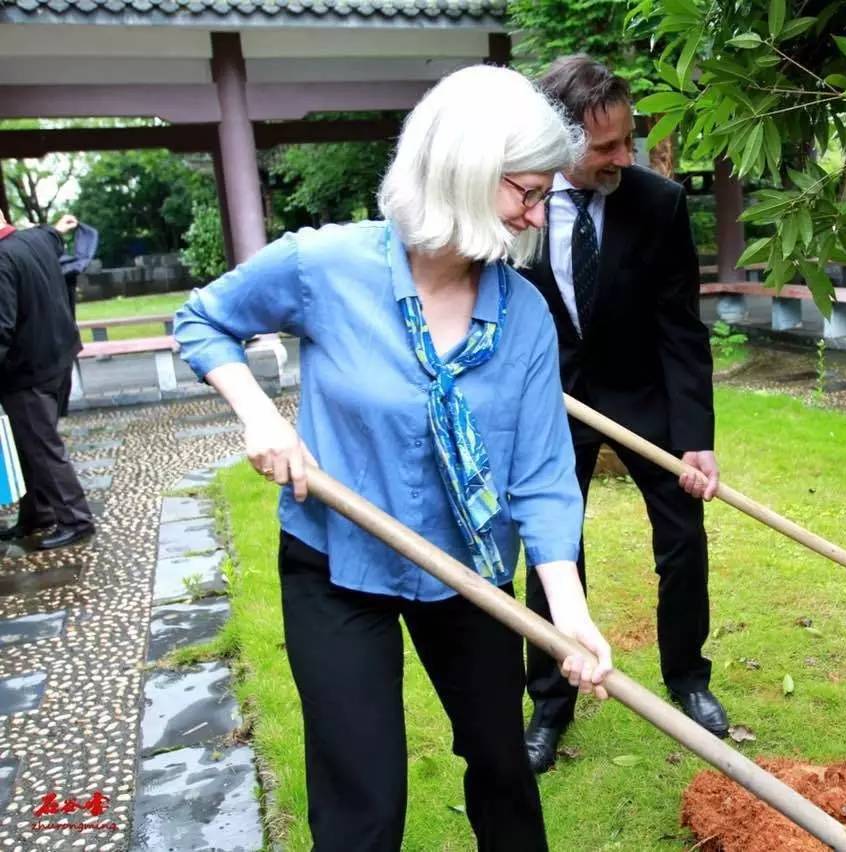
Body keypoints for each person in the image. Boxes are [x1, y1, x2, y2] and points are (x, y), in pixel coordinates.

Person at [173, 65, 613, 852]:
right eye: (526, 191)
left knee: (503, 771)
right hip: (336, 566)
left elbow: (544, 478)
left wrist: (570, 617)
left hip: (470, 570)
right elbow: (204, 321)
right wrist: (260, 417)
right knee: (363, 801)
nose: (538, 215)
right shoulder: (325, 267)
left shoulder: (525, 318)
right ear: (465, 173)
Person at [519, 55, 725, 775]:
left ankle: (688, 680)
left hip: (644, 401)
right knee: (551, 552)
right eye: (606, 147)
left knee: (682, 540)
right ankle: (548, 705)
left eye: (628, 141)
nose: (623, 157)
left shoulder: (658, 205)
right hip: (550, 404)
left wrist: (695, 440)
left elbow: (682, 331)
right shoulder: (520, 206)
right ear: (562, 139)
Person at [0, 210, 96, 550]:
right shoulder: (35, 239)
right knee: (28, 443)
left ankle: (75, 519)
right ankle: (37, 513)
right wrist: (60, 227)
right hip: (58, 357)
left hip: (27, 371)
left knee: (42, 446)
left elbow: (1, 327)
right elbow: (51, 236)